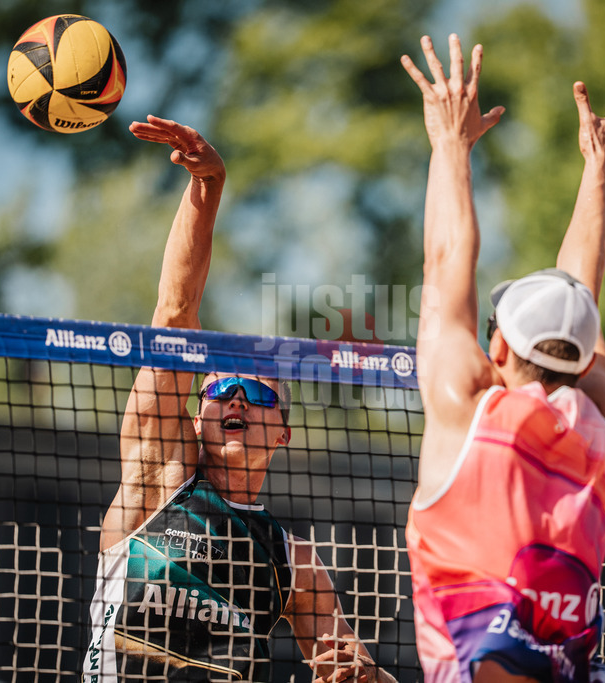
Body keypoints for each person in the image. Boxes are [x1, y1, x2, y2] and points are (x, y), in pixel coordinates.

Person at [82, 115, 394, 683]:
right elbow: (174, 316)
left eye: (254, 392)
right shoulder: (159, 478)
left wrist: (363, 676)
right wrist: (208, 185)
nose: (235, 401)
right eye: (221, 389)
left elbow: (358, 669)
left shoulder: (294, 562)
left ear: (283, 433)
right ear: (198, 412)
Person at [400, 34, 605, 683]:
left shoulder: (467, 408)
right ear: (585, 360)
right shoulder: (599, 433)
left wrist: (450, 143)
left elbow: (447, 261)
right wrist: (598, 171)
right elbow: (581, 293)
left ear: (499, 346)